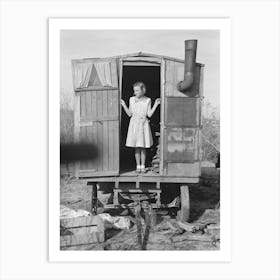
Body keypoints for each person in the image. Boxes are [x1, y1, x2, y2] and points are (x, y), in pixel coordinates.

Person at [121, 82, 160, 173]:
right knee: (136, 147)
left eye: (137, 90)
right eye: (134, 91)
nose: (135, 92)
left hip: (143, 124)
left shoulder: (148, 100)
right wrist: (123, 104)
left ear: (143, 90)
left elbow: (149, 114)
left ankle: (143, 166)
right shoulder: (131, 99)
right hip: (134, 124)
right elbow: (129, 114)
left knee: (143, 146)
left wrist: (155, 104)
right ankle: (138, 166)